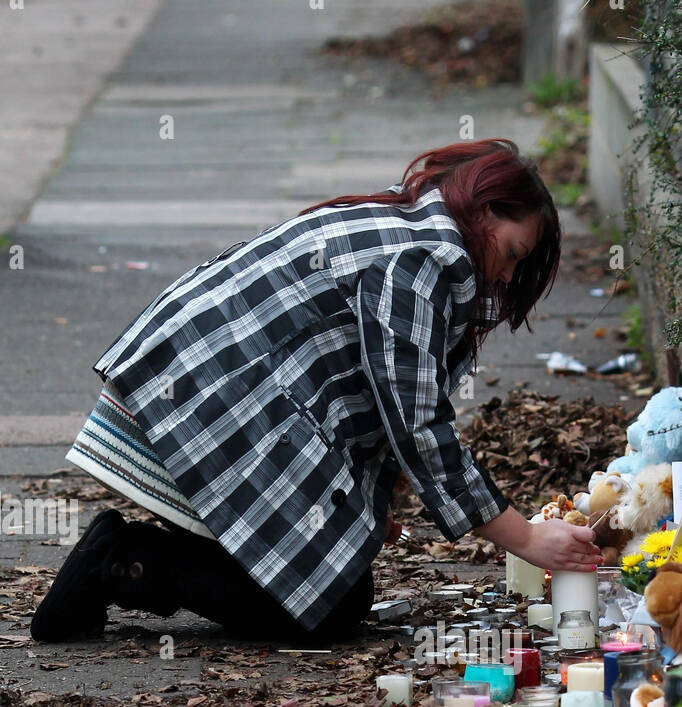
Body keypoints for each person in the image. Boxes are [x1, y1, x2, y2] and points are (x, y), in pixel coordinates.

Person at [30, 139, 600, 644]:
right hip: (215, 394)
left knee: (337, 583)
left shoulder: (412, 224)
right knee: (327, 611)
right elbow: (418, 422)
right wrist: (524, 536)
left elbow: (373, 389)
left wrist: (366, 505)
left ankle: (129, 560)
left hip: (212, 379)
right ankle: (124, 560)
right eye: (513, 255)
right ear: (486, 207)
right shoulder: (425, 257)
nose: (504, 278)